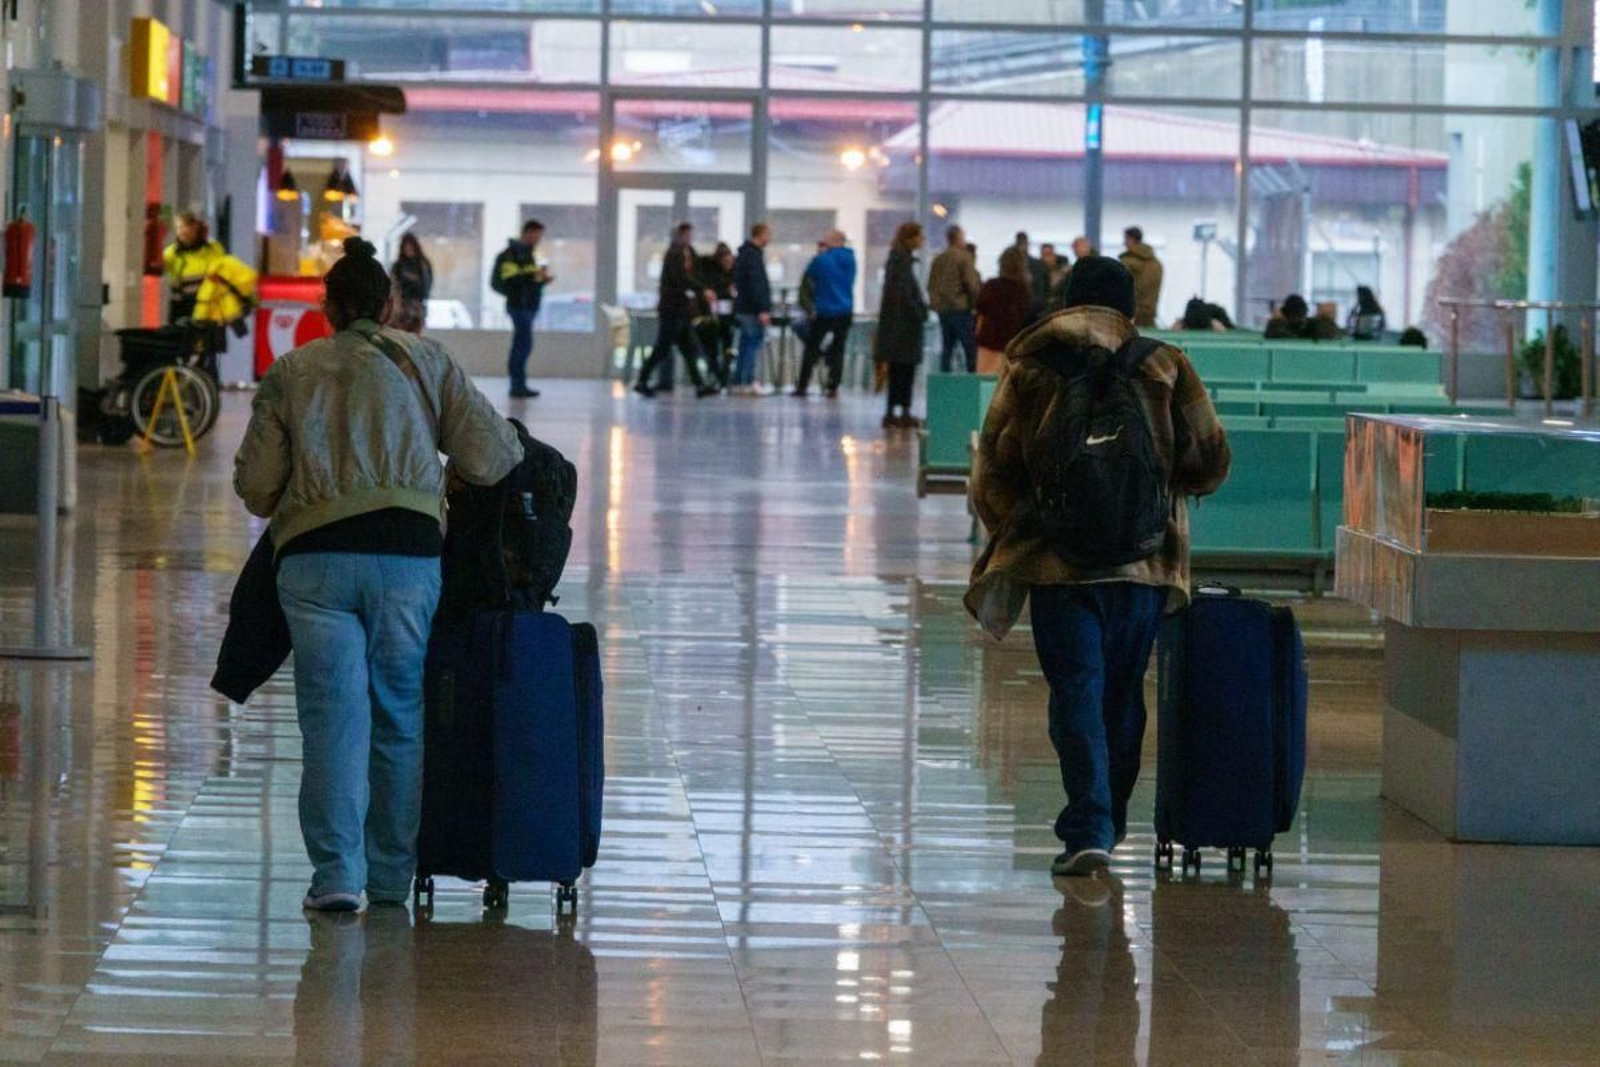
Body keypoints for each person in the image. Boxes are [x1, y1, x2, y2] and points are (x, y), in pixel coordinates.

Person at [233, 237, 523, 912]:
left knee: (333, 718)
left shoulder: (293, 369)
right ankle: (391, 877)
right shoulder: (427, 360)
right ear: (390, 304)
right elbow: (494, 456)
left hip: (314, 564)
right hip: (408, 559)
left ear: (327, 307)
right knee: (398, 714)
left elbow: (256, 485)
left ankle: (336, 875)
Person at [965, 255, 1231, 878]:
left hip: (1058, 568)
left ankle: (1089, 825)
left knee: (1076, 691)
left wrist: (1027, 528)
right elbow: (1211, 458)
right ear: (1131, 308)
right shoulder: (1164, 363)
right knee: (1121, 693)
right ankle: (1108, 817)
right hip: (1144, 566)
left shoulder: (1031, 364)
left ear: (1064, 304)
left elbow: (992, 473)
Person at [635, 223, 720, 399]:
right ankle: (642, 381)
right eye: (686, 235)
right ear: (679, 236)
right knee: (662, 348)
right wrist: (701, 289)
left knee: (689, 349)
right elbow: (681, 279)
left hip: (681, 310)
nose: (689, 238)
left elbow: (694, 270)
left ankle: (700, 385)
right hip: (672, 310)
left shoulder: (687, 253)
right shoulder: (674, 255)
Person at [873, 222, 929, 429]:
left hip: (897, 326)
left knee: (898, 369)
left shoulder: (897, 260)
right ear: (910, 238)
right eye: (920, 236)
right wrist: (919, 312)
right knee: (903, 370)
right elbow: (905, 295)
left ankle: (895, 411)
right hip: (904, 327)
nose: (922, 240)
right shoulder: (901, 262)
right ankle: (902, 411)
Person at [491, 220, 553, 399]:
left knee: (524, 344)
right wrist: (533, 276)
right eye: (536, 235)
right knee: (522, 345)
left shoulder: (529, 255)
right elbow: (510, 280)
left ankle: (519, 383)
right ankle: (517, 384)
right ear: (527, 233)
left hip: (529, 305)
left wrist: (540, 280)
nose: (538, 239)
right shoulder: (512, 254)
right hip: (519, 305)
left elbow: (528, 281)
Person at [794, 229, 857, 399]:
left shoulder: (821, 260)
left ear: (833, 241)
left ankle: (802, 385)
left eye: (826, 239)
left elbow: (809, 276)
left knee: (812, 348)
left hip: (825, 311)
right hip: (845, 310)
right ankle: (833, 386)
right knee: (839, 348)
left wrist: (821, 254)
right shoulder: (850, 259)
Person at [928, 225, 982, 374]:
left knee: (947, 349)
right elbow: (972, 284)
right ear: (958, 238)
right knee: (970, 349)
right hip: (961, 309)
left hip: (943, 310)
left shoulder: (938, 259)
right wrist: (975, 305)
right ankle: (971, 383)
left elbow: (931, 284)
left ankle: (945, 383)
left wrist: (936, 303)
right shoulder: (964, 257)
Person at [975, 246, 1033, 374]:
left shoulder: (990, 286)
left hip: (989, 343)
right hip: (1013, 347)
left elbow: (980, 316)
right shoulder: (1023, 291)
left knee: (986, 385)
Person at [731, 223, 773, 396]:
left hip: (743, 307)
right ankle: (748, 381)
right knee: (752, 345)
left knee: (745, 345)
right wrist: (763, 309)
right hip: (752, 309)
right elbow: (757, 284)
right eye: (768, 235)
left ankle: (738, 382)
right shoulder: (754, 256)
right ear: (761, 234)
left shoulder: (743, 254)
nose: (769, 239)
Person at [163, 211, 228, 325]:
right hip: (182, 309)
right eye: (179, 227)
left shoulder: (214, 249)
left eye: (186, 227)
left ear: (196, 228)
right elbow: (157, 270)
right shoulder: (172, 253)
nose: (182, 231)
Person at [695, 242, 737, 388]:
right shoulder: (708, 273)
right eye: (726, 262)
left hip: (726, 318)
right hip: (712, 317)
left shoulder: (734, 273)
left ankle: (723, 377)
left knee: (726, 349)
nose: (729, 264)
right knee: (712, 349)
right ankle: (718, 377)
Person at [1118, 227, 1164, 328]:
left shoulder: (1127, 263)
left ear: (1131, 239)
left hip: (1131, 315)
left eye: (1125, 239)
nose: (1124, 243)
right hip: (1150, 313)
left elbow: (1119, 288)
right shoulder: (1156, 263)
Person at [390, 233, 433, 334]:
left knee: (413, 336)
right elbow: (393, 286)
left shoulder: (422, 265)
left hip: (416, 307)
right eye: (406, 248)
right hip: (402, 307)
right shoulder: (398, 266)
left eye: (410, 248)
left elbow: (425, 288)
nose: (408, 251)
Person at [1264, 293, 1343, 341]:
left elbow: (1333, 335)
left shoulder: (1314, 326)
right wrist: (1325, 320)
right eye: (1295, 315)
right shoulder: (1278, 329)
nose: (1299, 319)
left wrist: (1325, 320)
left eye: (1301, 314)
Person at [1015, 231, 1050, 308]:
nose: (1022, 247)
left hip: (1034, 305)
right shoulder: (1012, 265)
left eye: (1024, 244)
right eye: (1021, 244)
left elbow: (1042, 289)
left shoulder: (1038, 265)